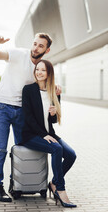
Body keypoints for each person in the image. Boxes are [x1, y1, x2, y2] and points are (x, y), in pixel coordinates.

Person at [0, 33, 61, 202]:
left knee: (24, 149)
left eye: (40, 46)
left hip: (22, 110)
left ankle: (18, 185)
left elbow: (45, 80)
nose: (35, 48)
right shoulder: (18, 53)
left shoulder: (40, 66)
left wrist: (57, 86)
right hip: (2, 106)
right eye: (34, 43)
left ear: (47, 50)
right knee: (0, 150)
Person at [21, 59, 77, 208]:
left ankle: (54, 182)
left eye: (43, 70)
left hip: (48, 133)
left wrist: (53, 113)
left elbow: (52, 120)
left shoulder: (54, 91)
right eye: (37, 69)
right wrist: (42, 134)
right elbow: (28, 117)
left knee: (71, 155)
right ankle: (60, 189)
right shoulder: (28, 90)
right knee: (56, 149)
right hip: (31, 135)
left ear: (49, 73)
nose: (39, 72)